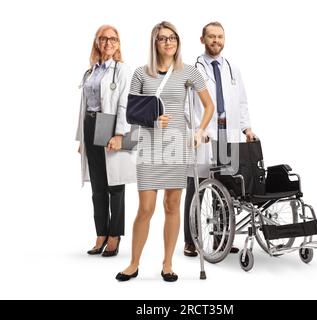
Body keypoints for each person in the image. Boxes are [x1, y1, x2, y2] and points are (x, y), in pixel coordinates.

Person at [116, 21, 214, 282]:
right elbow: (131, 112)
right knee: (145, 209)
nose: (168, 42)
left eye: (172, 38)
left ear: (178, 42)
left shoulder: (188, 72)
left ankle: (168, 264)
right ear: (154, 42)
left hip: (176, 144)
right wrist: (152, 119)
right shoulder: (140, 73)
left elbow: (209, 106)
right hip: (149, 144)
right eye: (162, 38)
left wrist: (199, 131)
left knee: (172, 205)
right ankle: (133, 263)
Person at [183, 21, 257, 257]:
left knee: (226, 188)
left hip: (229, 133)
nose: (216, 41)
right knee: (197, 187)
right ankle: (191, 240)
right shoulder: (193, 70)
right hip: (204, 135)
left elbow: (242, 101)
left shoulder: (233, 68)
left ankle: (221, 239)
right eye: (211, 37)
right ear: (202, 39)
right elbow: (187, 105)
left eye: (220, 37)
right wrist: (199, 128)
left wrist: (246, 129)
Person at [76, 25, 136, 257]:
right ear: (97, 43)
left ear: (118, 44)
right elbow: (83, 106)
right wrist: (81, 137)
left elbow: (124, 103)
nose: (108, 43)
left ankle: (114, 235)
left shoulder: (121, 70)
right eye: (103, 39)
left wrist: (120, 134)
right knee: (98, 185)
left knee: (115, 183)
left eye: (113, 39)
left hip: (110, 123)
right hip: (92, 125)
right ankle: (101, 232)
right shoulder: (91, 71)